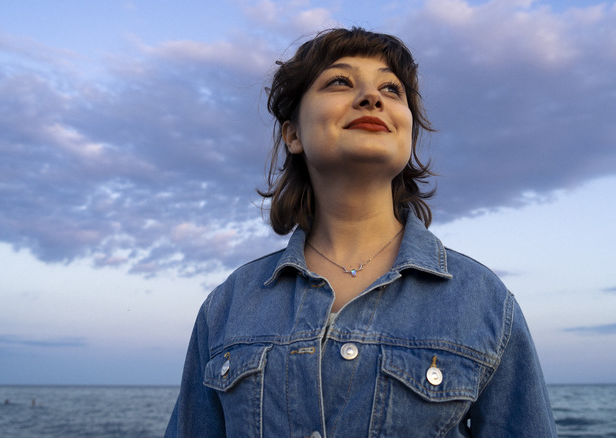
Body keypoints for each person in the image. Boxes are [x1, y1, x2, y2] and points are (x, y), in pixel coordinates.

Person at [165, 27, 557, 437]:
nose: (372, 97)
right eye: (340, 81)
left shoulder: (484, 302)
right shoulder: (229, 304)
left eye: (392, 88)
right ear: (293, 134)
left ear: (407, 132)